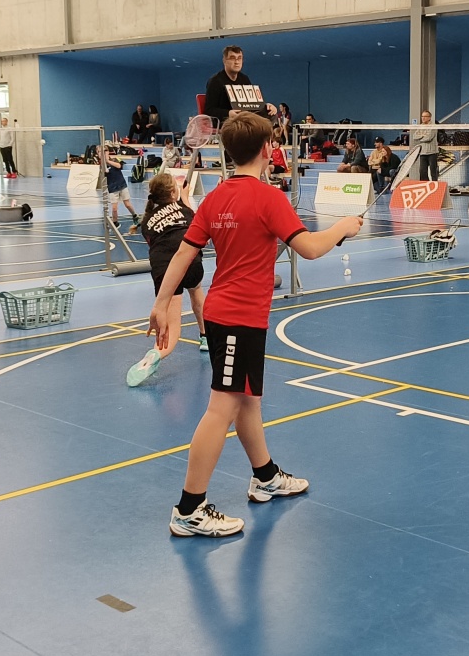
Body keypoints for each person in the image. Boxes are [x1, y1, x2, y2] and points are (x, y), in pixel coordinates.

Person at [151, 113, 363, 537]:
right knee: (222, 409)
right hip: (238, 318)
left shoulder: (214, 199)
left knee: (247, 399)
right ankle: (189, 509)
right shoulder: (269, 199)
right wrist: (342, 227)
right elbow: (309, 248)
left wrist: (160, 302)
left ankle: (265, 476)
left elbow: (183, 254)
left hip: (225, 314)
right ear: (268, 150)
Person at [126, 172, 209, 386]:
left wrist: (180, 197)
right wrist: (185, 197)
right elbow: (195, 226)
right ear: (173, 192)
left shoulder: (146, 222)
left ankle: (156, 354)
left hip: (165, 273)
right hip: (192, 265)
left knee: (172, 329)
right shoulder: (185, 210)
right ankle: (205, 336)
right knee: (196, 291)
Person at [203, 44, 265, 128]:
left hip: (244, 122)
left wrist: (265, 107)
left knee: (269, 116)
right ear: (224, 61)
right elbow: (209, 110)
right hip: (226, 124)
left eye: (239, 58)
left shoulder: (244, 79)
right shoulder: (215, 81)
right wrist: (228, 113)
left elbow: (252, 105)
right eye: (232, 58)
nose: (237, 62)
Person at [100, 144, 138, 228]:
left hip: (121, 184)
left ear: (108, 152)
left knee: (127, 204)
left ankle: (135, 216)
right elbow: (104, 172)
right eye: (101, 152)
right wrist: (104, 165)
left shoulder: (114, 159)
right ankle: (115, 223)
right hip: (112, 188)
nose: (103, 153)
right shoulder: (102, 165)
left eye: (105, 151)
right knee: (114, 208)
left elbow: (119, 166)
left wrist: (108, 161)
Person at [412, 110, 440, 181]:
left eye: (425, 116)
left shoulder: (433, 126)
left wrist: (420, 137)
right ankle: (425, 185)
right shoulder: (420, 126)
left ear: (429, 117)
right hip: (423, 152)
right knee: (422, 171)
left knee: (433, 172)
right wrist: (423, 135)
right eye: (422, 116)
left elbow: (428, 138)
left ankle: (435, 185)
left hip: (432, 152)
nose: (423, 118)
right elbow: (414, 136)